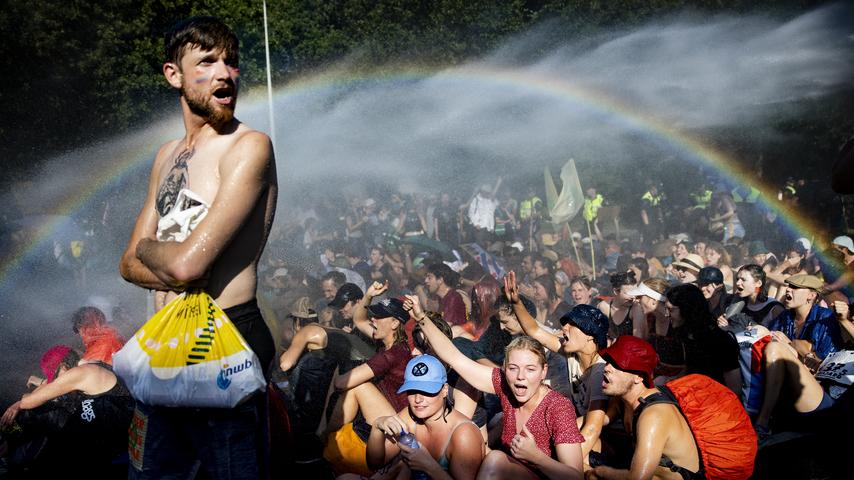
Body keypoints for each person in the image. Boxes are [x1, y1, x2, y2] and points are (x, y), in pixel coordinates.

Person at [117, 16, 276, 479]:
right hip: (163, 342)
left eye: (231, 62)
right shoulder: (165, 155)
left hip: (225, 337)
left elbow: (188, 267)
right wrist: (159, 255)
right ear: (174, 75)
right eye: (207, 62)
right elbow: (126, 264)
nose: (225, 73)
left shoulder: (249, 147)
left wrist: (152, 250)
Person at [408, 295, 585, 480]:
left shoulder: (557, 407)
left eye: (530, 369)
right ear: (504, 369)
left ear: (543, 372)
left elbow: (575, 477)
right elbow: (455, 357)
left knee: (496, 459)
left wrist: (537, 458)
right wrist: (421, 317)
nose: (520, 377)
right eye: (513, 368)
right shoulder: (505, 385)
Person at [505, 271, 610, 467]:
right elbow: (535, 331)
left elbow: (593, 428)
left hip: (607, 443)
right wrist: (516, 302)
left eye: (572, 326)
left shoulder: (600, 372)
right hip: (580, 426)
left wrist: (567, 469)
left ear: (590, 335)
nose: (564, 329)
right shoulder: (572, 353)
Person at [1, 345, 134, 476]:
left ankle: (9, 451)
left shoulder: (79, 373)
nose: (55, 379)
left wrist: (17, 405)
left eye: (55, 375)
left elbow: (30, 401)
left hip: (116, 432)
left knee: (42, 415)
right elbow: (52, 386)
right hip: (109, 418)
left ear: (64, 366)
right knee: (51, 411)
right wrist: (39, 386)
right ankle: (10, 444)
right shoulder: (87, 364)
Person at [348, 355, 484, 480]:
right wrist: (377, 427)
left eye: (426, 391)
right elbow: (375, 463)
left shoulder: (463, 434)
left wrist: (429, 466)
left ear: (444, 390)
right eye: (412, 391)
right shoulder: (411, 416)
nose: (418, 399)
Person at [588, 336, 702, 480]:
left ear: (638, 377)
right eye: (609, 362)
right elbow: (593, 423)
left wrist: (600, 472)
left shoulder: (654, 415)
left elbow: (638, 479)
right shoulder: (622, 401)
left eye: (617, 365)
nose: (607, 368)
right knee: (585, 452)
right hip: (642, 471)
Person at [664, 284, 741, 394]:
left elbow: (734, 388)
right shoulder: (685, 334)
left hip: (714, 403)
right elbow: (690, 370)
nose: (666, 315)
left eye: (670, 310)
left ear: (687, 309)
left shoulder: (719, 341)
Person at [598, 271, 642, 341]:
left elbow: (638, 339)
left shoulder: (636, 308)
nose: (633, 297)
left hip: (630, 349)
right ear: (616, 291)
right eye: (629, 293)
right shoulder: (604, 307)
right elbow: (600, 335)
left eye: (635, 292)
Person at [422, 263, 468, 327]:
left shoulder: (452, 298)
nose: (426, 280)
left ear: (440, 280)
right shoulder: (442, 298)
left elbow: (445, 328)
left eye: (429, 278)